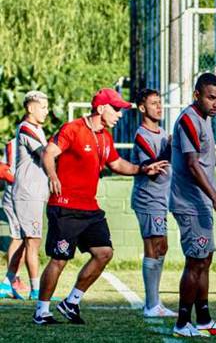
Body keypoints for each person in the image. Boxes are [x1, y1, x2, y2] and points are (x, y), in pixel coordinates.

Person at [33, 88, 168, 325]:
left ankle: (71, 302)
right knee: (59, 259)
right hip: (65, 207)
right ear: (101, 108)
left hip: (89, 209)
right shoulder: (72, 128)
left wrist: (142, 169)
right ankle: (41, 310)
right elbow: (48, 153)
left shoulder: (105, 137)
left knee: (104, 253)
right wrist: (52, 174)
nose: (120, 114)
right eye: (116, 109)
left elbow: (116, 163)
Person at [170, 73, 216, 338]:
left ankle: (204, 319)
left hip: (200, 202)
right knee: (195, 262)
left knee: (205, 260)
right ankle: (181, 323)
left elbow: (201, 161)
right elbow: (190, 164)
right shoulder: (189, 119)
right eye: (211, 97)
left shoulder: (205, 119)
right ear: (197, 95)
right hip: (189, 202)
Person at [130, 89, 176, 317]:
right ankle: (151, 305)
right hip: (148, 199)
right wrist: (171, 146)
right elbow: (153, 168)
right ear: (142, 108)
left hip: (161, 199)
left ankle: (154, 302)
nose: (159, 107)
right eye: (154, 103)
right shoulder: (142, 135)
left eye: (160, 103)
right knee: (153, 246)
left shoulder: (163, 132)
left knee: (162, 246)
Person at [2, 92, 51, 301]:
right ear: (31, 108)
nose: (47, 111)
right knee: (33, 241)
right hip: (26, 193)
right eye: (43, 107)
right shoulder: (26, 129)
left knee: (24, 241)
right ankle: (36, 290)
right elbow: (46, 154)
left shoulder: (38, 129)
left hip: (34, 193)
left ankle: (6, 282)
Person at [0, 137, 28, 299]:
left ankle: (13, 279)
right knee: (18, 237)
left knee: (25, 238)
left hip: (25, 196)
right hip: (14, 196)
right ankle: (9, 281)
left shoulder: (38, 137)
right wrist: (21, 183)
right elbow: (3, 170)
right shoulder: (14, 143)